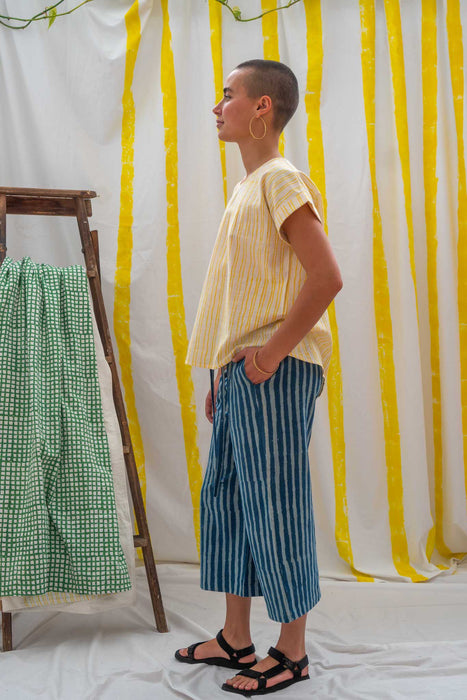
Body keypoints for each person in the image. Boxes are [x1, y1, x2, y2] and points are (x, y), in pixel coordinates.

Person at [175, 59, 342, 696]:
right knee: (227, 500)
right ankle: (235, 638)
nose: (218, 107)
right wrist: (222, 373)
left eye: (229, 95)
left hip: (275, 370)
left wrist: (268, 358)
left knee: (276, 502)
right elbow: (241, 297)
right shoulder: (248, 187)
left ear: (262, 108)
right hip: (242, 373)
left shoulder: (280, 178)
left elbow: (326, 278)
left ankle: (292, 652)